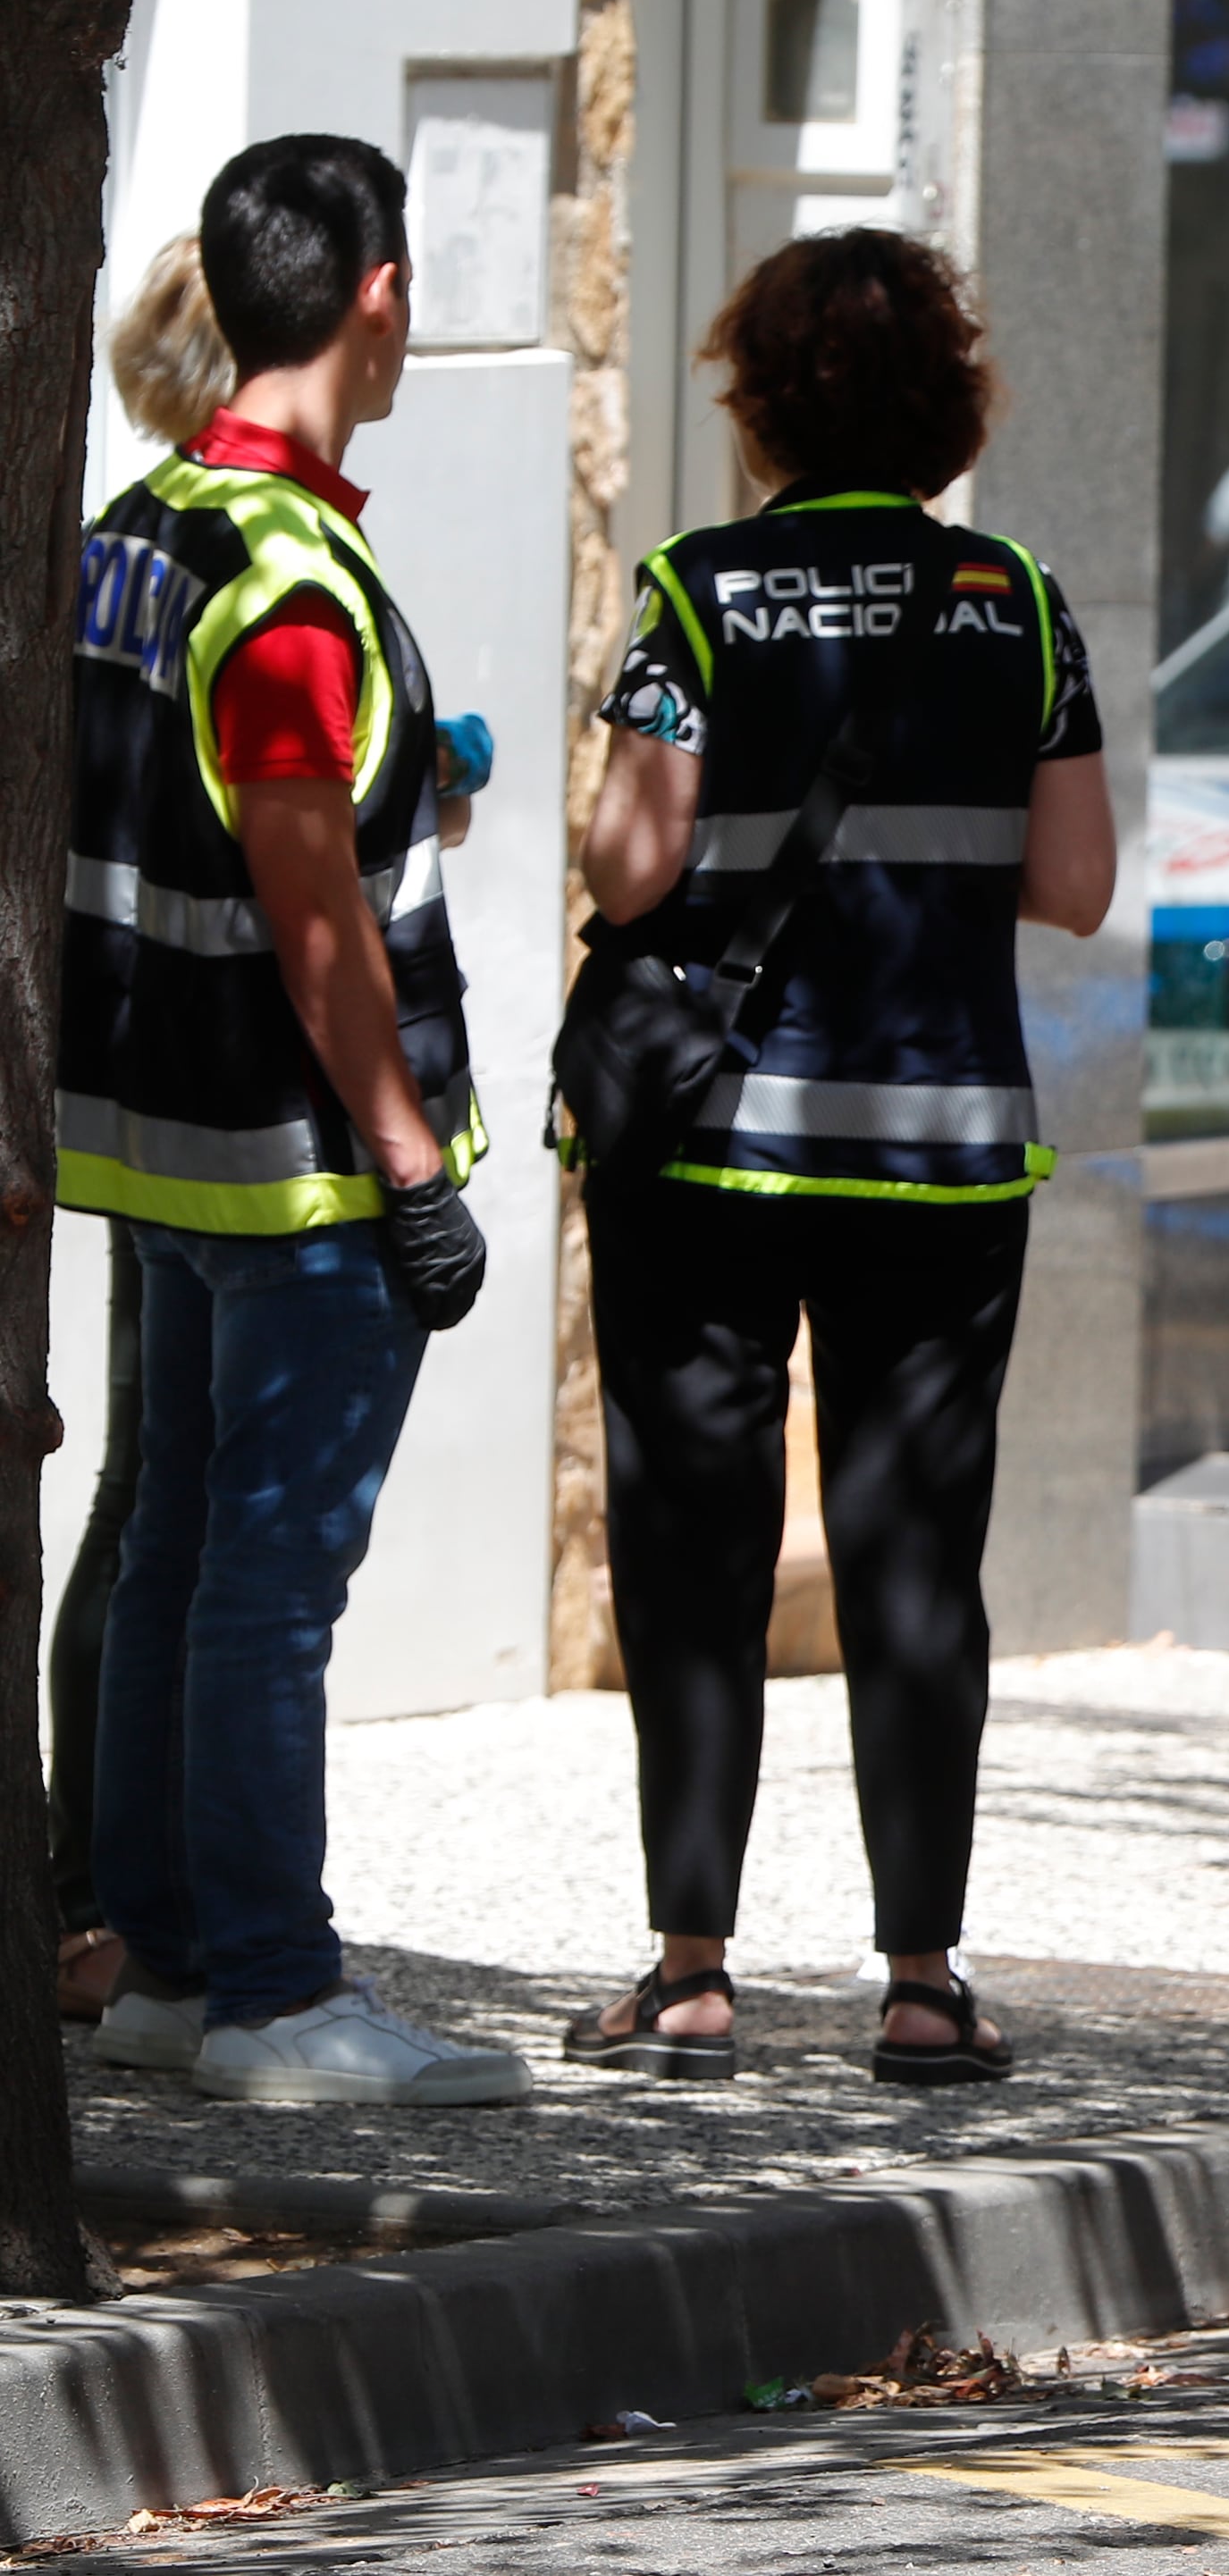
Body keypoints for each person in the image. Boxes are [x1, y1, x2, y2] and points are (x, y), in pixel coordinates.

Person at [565, 227, 1115, 2086]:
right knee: (912, 1555)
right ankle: (921, 1978)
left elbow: (626, 865)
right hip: (944, 1157)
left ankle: (695, 1970)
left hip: (711, 1150)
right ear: (946, 400)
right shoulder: (1020, 598)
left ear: (766, 397)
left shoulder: (697, 591)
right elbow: (1077, 883)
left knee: (694, 1544)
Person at [63, 137, 520, 2105]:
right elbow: (309, 900)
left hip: (159, 1151)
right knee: (269, 1577)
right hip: (294, 1164)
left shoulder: (138, 522)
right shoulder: (288, 584)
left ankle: (166, 1956)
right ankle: (272, 1990)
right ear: (379, 295)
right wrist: (411, 1161)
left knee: (175, 1542)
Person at [50, 233, 238, 2028]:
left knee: (132, 1484)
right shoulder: (227, 553)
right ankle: (117, 1888)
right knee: (167, 1493)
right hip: (199, 1073)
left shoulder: (97, 548)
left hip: (99, 1059)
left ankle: (94, 1881)